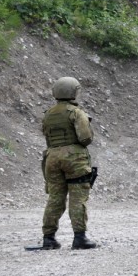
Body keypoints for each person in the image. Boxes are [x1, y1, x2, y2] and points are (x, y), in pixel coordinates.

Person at [40, 77, 98, 250]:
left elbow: (46, 134)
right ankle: (79, 238)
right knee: (78, 197)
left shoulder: (48, 114)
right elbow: (85, 138)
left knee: (55, 198)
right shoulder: (76, 113)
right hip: (74, 159)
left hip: (52, 158)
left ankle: (48, 238)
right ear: (74, 92)